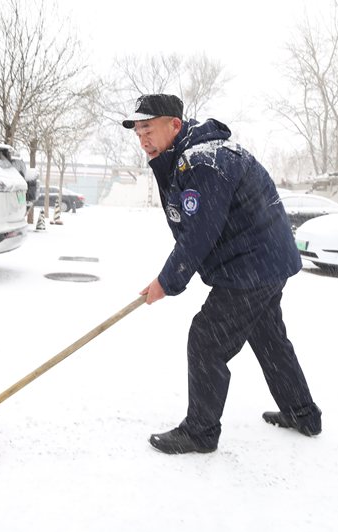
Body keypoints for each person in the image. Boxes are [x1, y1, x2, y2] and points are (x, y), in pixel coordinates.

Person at [122, 94, 322, 454]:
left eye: (148, 130)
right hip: (264, 261)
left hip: (250, 265)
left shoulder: (204, 162)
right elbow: (193, 225)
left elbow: (200, 232)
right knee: (269, 337)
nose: (143, 140)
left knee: (206, 340)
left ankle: (200, 432)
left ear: (175, 125)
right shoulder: (193, 154)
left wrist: (167, 281)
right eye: (138, 133)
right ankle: (303, 413)